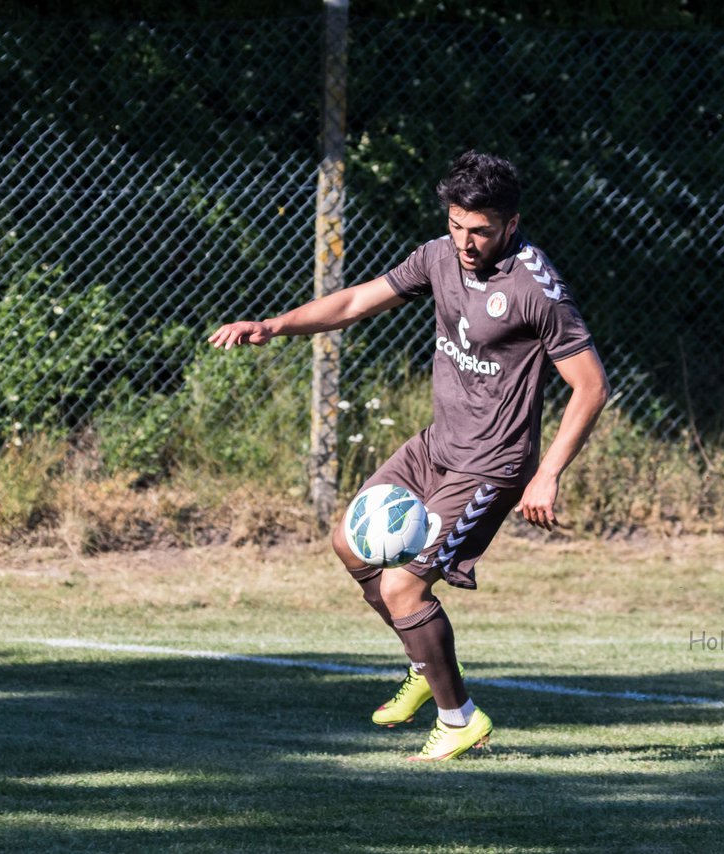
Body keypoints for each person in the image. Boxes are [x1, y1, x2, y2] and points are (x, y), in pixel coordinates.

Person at [208, 151, 609, 761]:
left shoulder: (536, 288)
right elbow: (353, 303)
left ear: (511, 222)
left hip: (491, 463)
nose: (466, 241)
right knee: (351, 544)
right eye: (456, 224)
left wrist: (547, 474)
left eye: (480, 230)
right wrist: (275, 325)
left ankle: (459, 719)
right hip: (435, 445)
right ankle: (425, 661)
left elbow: (590, 385)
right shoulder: (436, 257)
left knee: (403, 587)